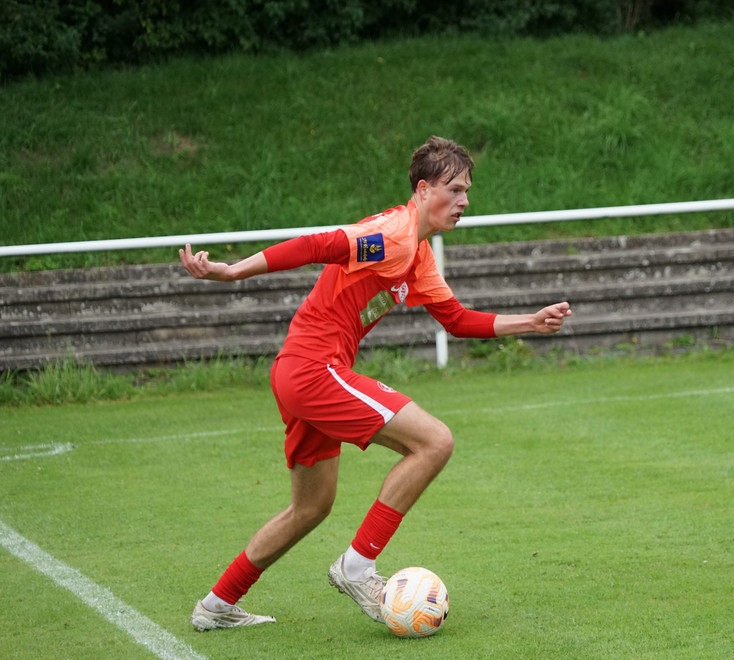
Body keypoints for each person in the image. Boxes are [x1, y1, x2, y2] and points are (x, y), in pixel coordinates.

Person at [179, 136, 572, 629]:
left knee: (311, 506)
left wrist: (529, 323)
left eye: (468, 190)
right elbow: (316, 245)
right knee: (434, 441)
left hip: (300, 372)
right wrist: (233, 271)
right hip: (313, 368)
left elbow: (455, 319)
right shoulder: (395, 233)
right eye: (455, 189)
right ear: (424, 190)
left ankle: (216, 606)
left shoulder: (420, 255)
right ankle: (357, 567)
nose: (465, 201)